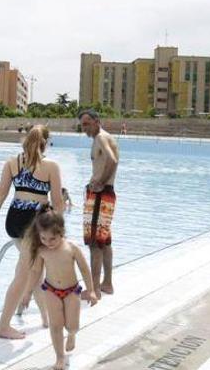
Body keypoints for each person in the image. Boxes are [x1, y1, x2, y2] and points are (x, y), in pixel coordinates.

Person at [0, 125, 64, 339]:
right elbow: (58, 202)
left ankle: (46, 319)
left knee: (35, 269)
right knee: (24, 272)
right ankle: (3, 326)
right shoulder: (51, 166)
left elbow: (1, 193)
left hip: (13, 220)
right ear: (46, 142)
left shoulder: (12, 162)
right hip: (34, 223)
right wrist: (58, 231)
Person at [25, 206, 98, 370]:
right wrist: (28, 292)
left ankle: (71, 335)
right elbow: (36, 271)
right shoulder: (42, 250)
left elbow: (85, 269)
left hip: (72, 291)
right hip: (51, 290)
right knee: (55, 326)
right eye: (43, 238)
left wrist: (91, 290)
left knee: (72, 325)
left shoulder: (71, 248)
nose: (48, 242)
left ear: (61, 233)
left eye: (52, 239)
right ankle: (59, 357)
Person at [78, 109, 119, 297]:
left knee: (94, 243)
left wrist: (100, 181)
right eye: (82, 124)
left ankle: (94, 289)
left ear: (97, 121)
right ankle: (107, 283)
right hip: (106, 194)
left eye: (87, 124)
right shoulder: (102, 138)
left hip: (101, 194)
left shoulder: (101, 138)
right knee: (105, 241)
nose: (84, 128)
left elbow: (112, 160)